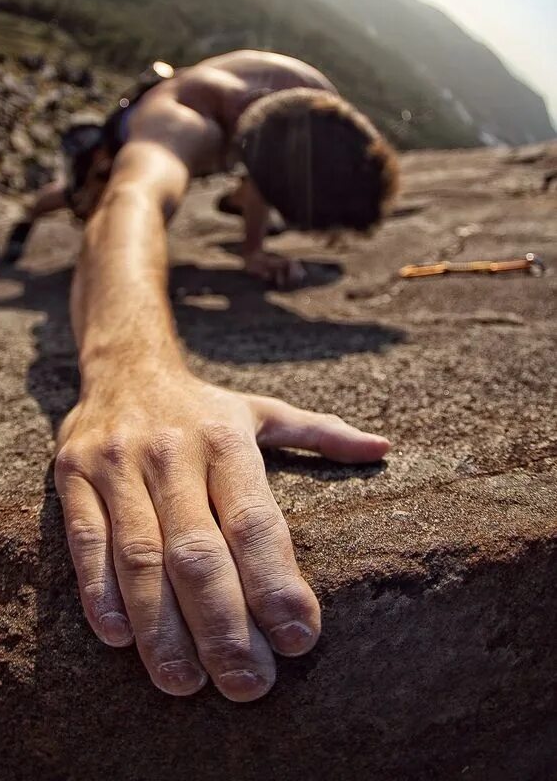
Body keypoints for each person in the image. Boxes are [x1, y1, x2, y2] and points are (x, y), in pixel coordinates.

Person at [29, 49, 399, 702]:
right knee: (86, 199)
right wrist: (133, 375)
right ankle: (33, 212)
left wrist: (254, 251)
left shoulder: (310, 100)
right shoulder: (182, 123)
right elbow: (131, 205)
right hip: (121, 150)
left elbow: (266, 169)